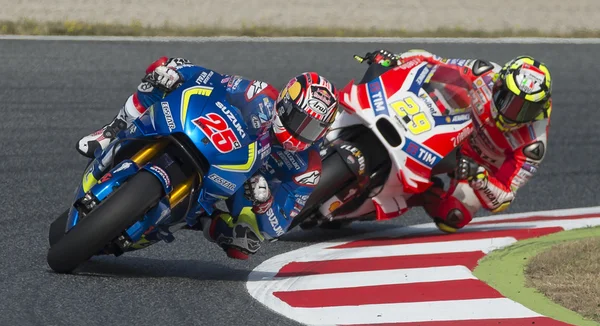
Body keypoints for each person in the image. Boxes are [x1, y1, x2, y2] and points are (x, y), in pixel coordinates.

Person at [76, 57, 338, 259]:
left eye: (312, 128)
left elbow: (278, 226)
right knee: (164, 68)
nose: (301, 132)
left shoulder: (308, 165)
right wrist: (179, 74)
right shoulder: (258, 94)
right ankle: (112, 130)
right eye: (299, 120)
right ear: (284, 105)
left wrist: (265, 200)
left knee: (246, 243)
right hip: (213, 144)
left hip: (241, 189)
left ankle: (204, 221)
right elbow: (214, 79)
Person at [359, 49, 552, 232]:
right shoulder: (483, 73)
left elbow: (503, 198)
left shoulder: (533, 145)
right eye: (509, 100)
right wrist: (396, 60)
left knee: (452, 217)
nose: (514, 113)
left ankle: (416, 193)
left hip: (473, 167)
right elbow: (433, 62)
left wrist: (479, 177)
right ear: (498, 85)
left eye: (526, 109)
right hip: (448, 129)